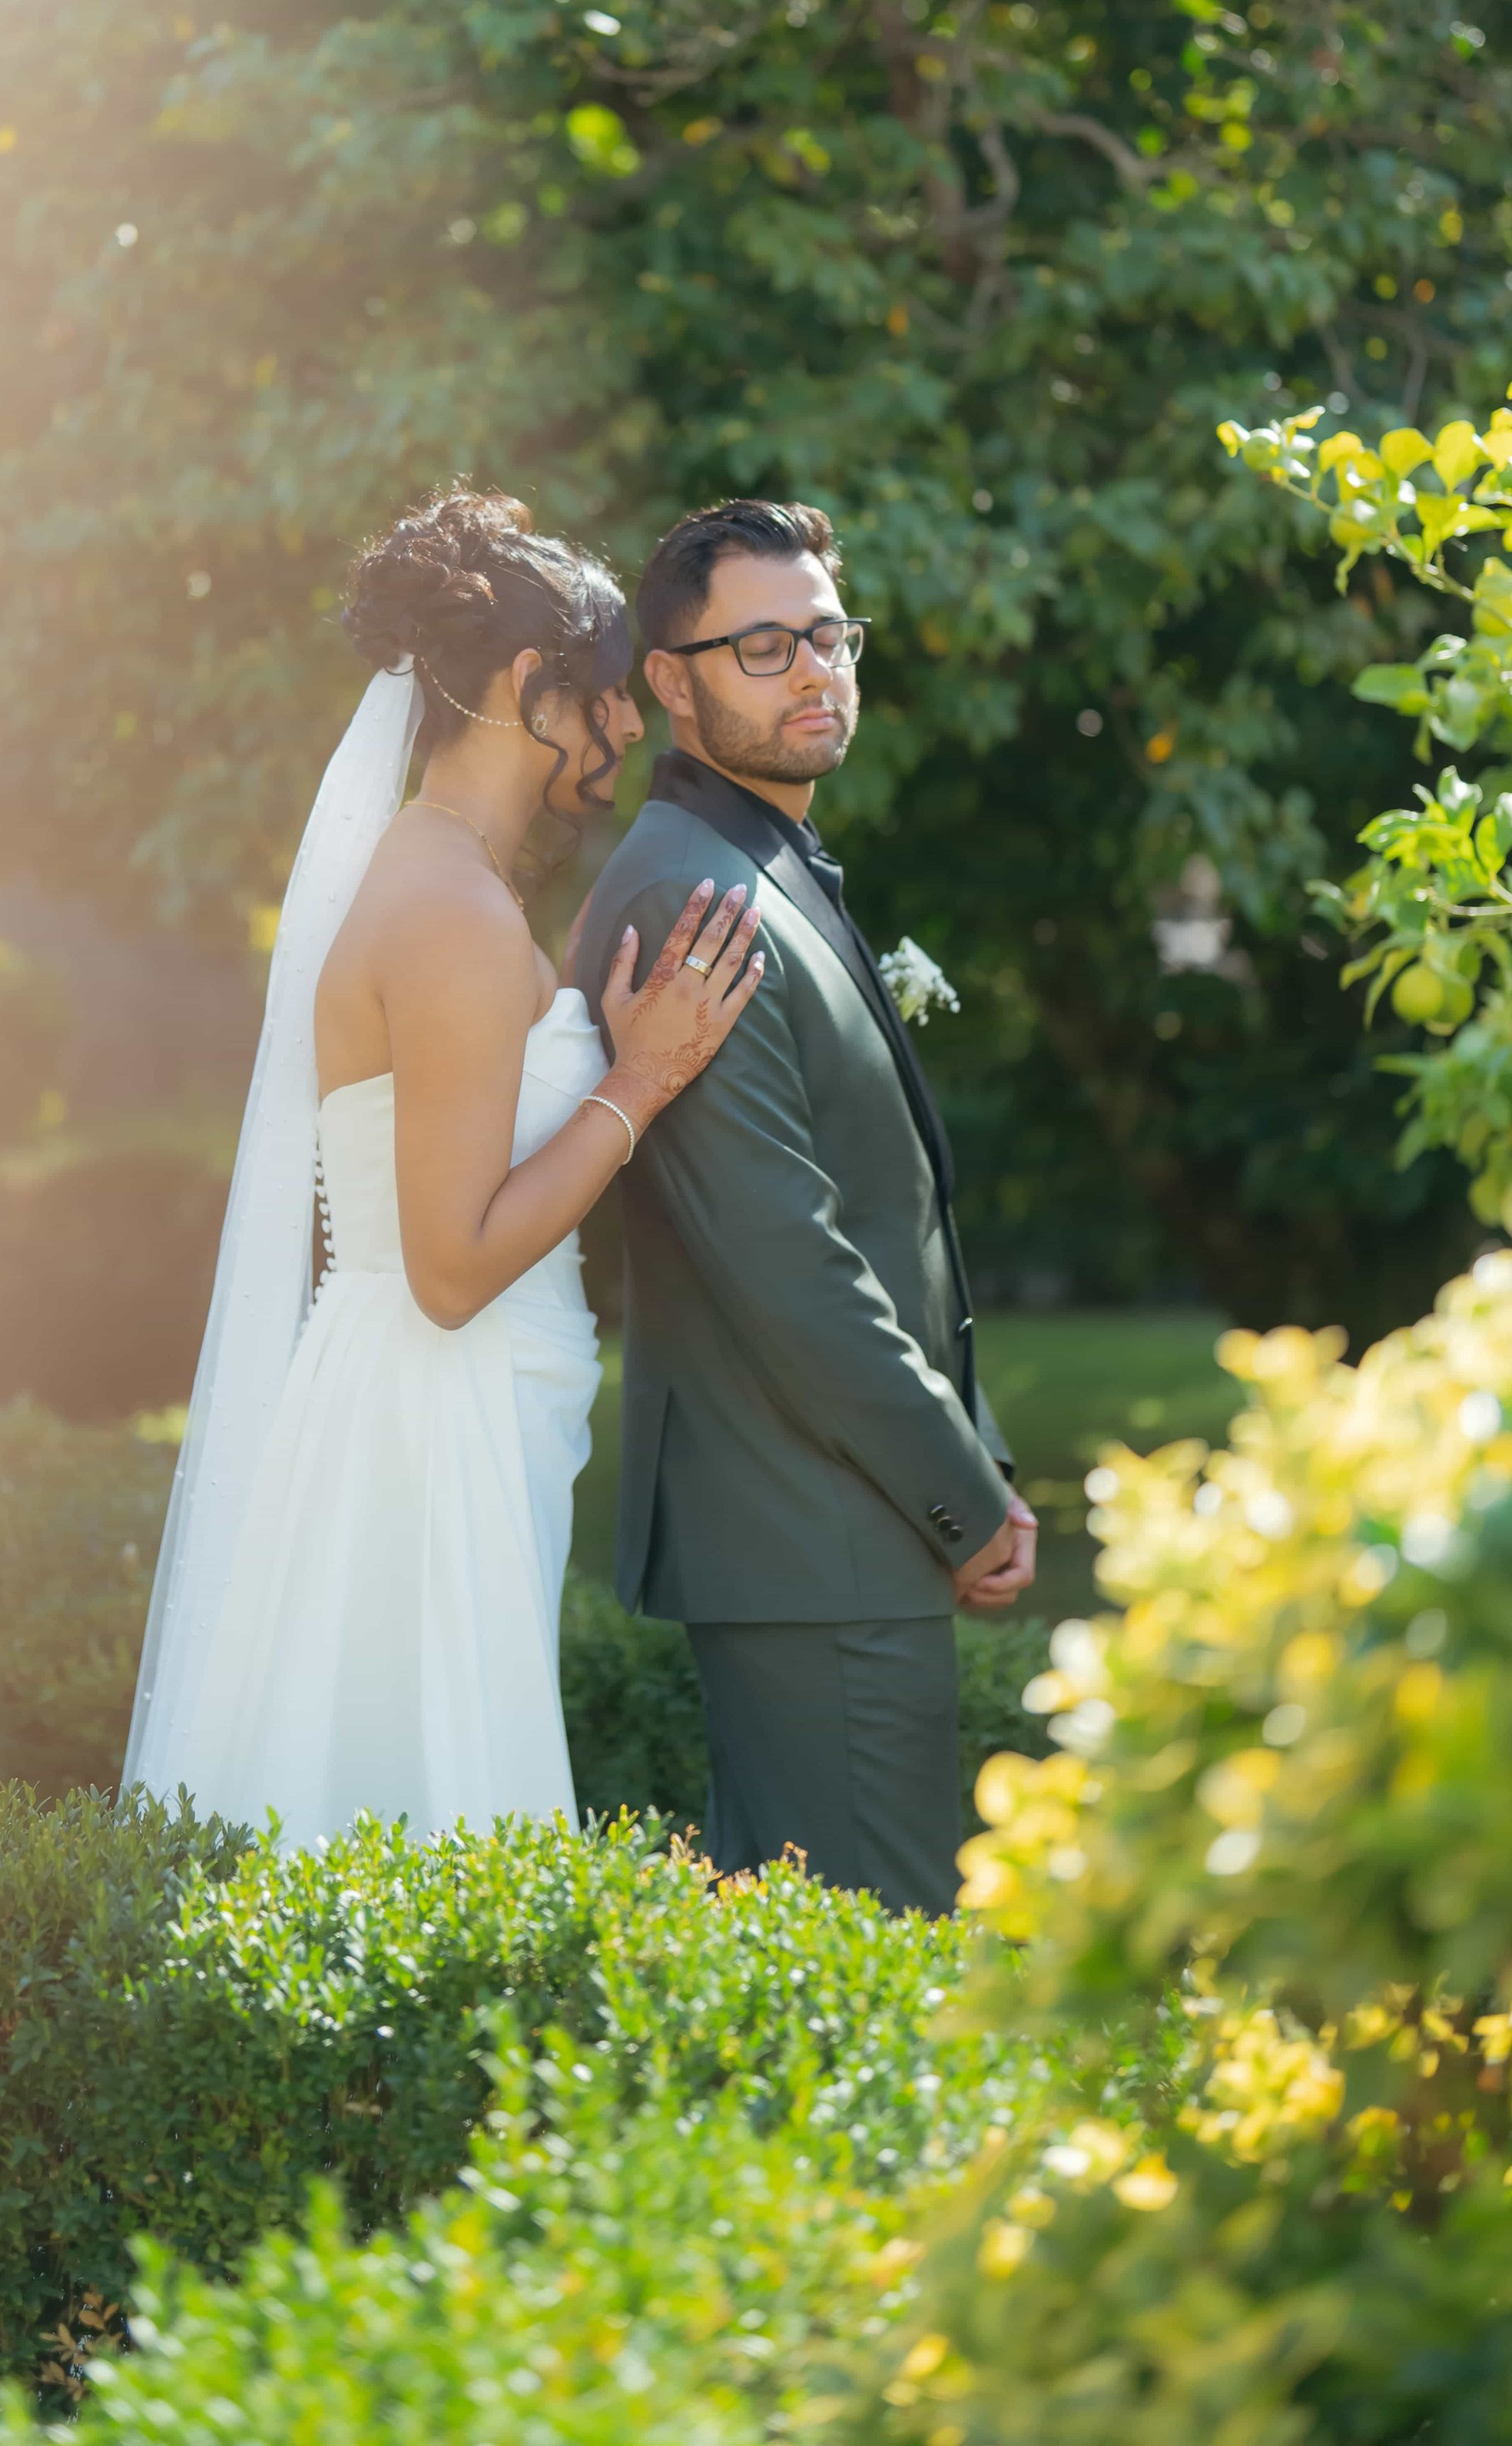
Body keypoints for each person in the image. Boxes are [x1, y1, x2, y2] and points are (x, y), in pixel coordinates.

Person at [124, 486, 763, 1839]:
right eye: (607, 694)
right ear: (533, 688)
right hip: (430, 1419)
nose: (630, 724)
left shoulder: (451, 884)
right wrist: (642, 1082)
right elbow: (453, 1266)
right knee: (420, 1810)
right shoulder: (454, 914)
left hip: (444, 1404)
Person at [574, 497, 1036, 1914]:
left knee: (839, 1947)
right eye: (764, 645)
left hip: (836, 1528)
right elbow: (790, 1264)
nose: (818, 669)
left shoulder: (758, 864)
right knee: (878, 1962)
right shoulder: (692, 901)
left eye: (830, 634)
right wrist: (962, 1491)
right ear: (671, 679)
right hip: (808, 1534)